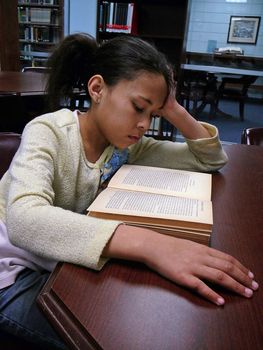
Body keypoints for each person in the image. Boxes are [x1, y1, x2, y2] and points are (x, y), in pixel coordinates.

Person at [0, 33, 259, 349]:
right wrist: (153, 245)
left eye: (153, 113)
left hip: (56, 258)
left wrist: (173, 108)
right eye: (138, 107)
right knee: (109, 333)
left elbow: (210, 159)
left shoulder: (124, 144)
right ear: (97, 89)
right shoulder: (48, 132)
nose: (144, 124)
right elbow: (24, 220)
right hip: (10, 272)